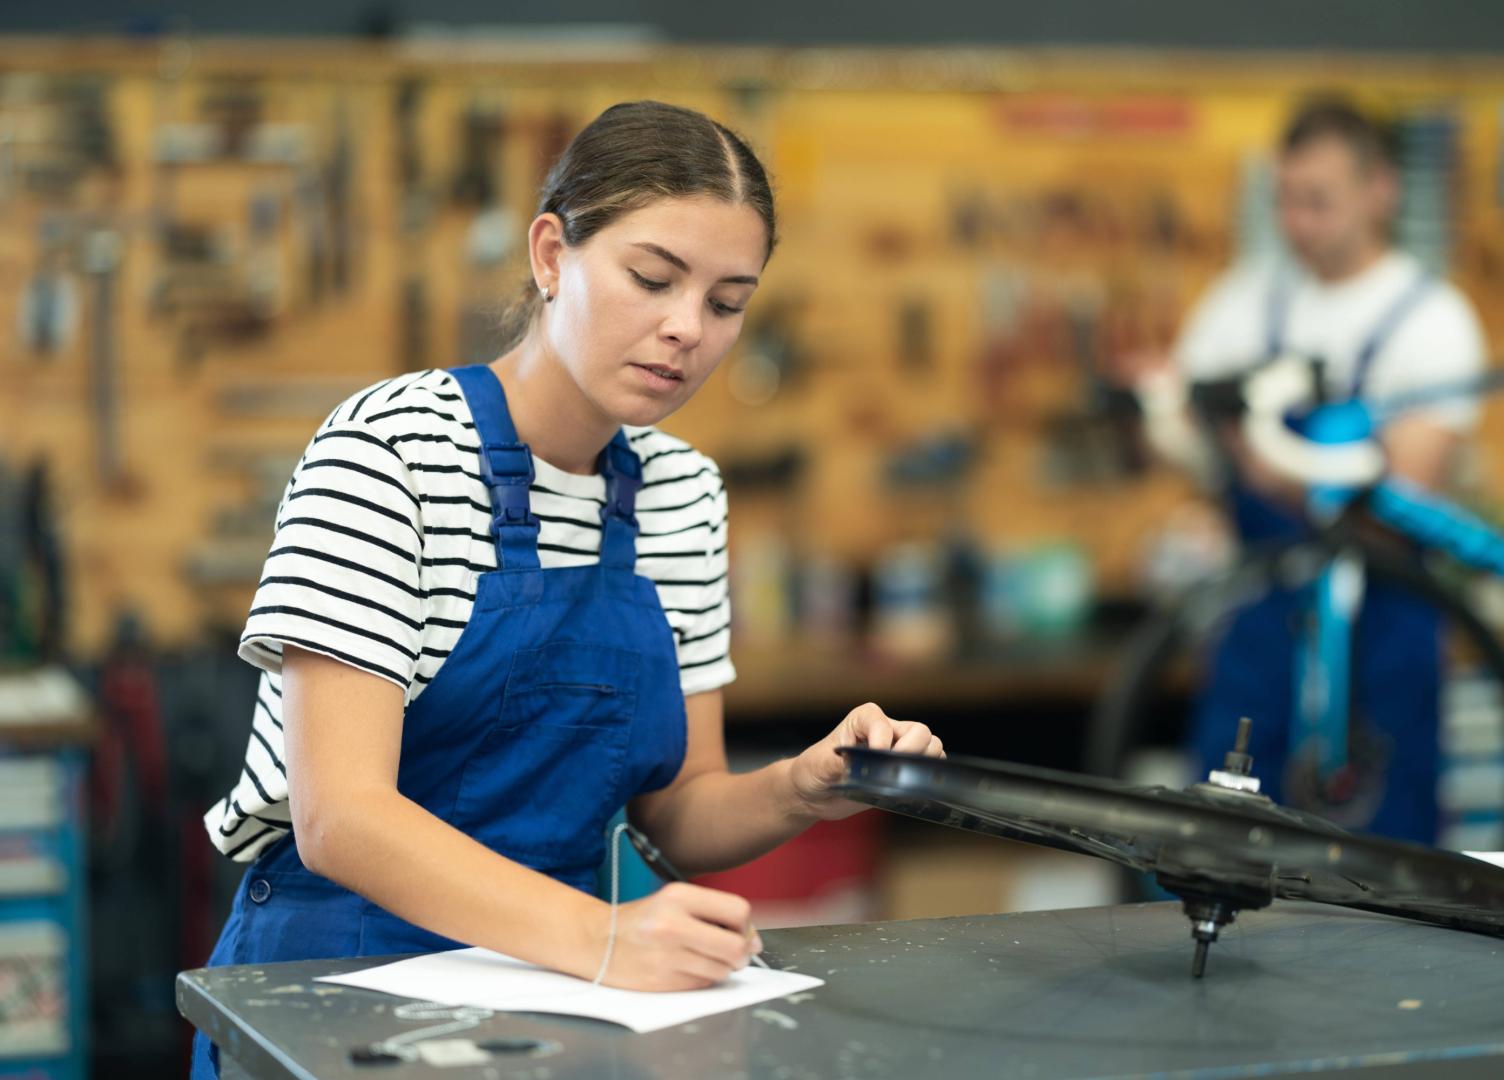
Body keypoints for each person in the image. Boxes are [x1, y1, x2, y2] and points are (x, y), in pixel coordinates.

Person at [191, 100, 944, 1079]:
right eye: (652, 279)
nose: (686, 329)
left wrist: (800, 787)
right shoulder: (388, 452)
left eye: (726, 303)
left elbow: (678, 809)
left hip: (558, 996)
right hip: (332, 982)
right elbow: (342, 818)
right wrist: (603, 937)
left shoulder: (682, 494)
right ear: (551, 255)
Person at [1166, 99, 1486, 841]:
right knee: (1214, 839)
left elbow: (1398, 500)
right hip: (1262, 614)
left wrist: (1259, 461)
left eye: (1319, 201)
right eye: (1285, 200)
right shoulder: (1243, 303)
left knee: (1389, 856)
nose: (1296, 222)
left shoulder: (1432, 321)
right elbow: (1185, 437)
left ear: (1381, 191)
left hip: (1387, 625)